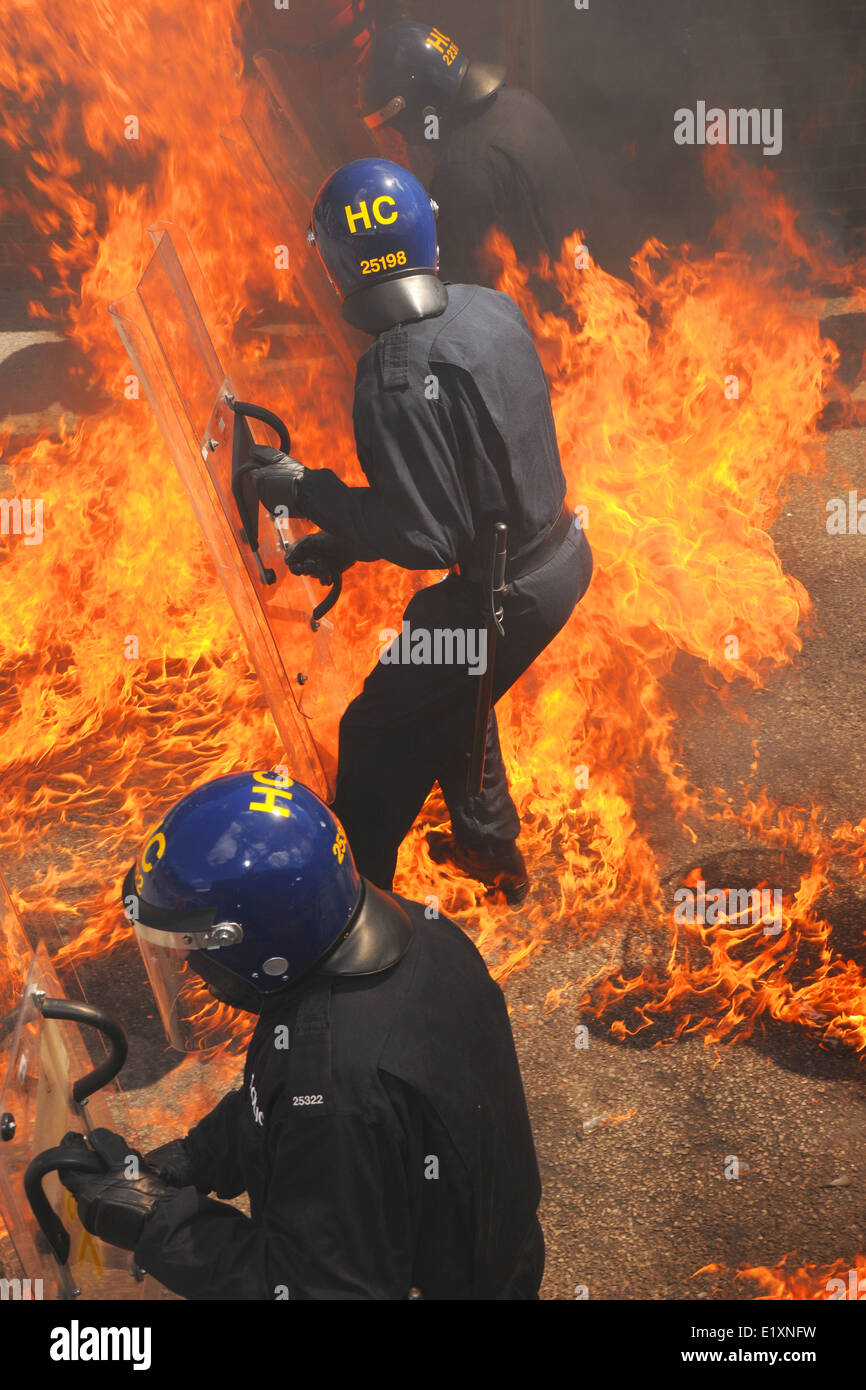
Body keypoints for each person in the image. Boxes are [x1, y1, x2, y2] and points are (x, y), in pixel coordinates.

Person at [57, 770, 544, 1300]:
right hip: (488, 1244)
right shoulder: (413, 928)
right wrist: (192, 1159)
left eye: (192, 948)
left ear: (255, 942)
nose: (189, 965)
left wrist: (155, 1221)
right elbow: (276, 1101)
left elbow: (315, 1287)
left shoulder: (335, 1084)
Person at [251, 157, 593, 901]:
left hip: (501, 593)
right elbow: (462, 482)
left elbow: (426, 538)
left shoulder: (392, 373)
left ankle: (347, 917)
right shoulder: (487, 308)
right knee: (453, 676)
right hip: (558, 556)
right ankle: (490, 847)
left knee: (377, 732)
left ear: (337, 265)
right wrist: (347, 537)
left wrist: (308, 489)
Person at [359, 20, 586, 286]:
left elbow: (462, 304)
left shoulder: (462, 172)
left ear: (421, 115)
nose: (391, 144)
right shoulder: (521, 103)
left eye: (389, 130)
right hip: (589, 300)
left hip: (536, 322)